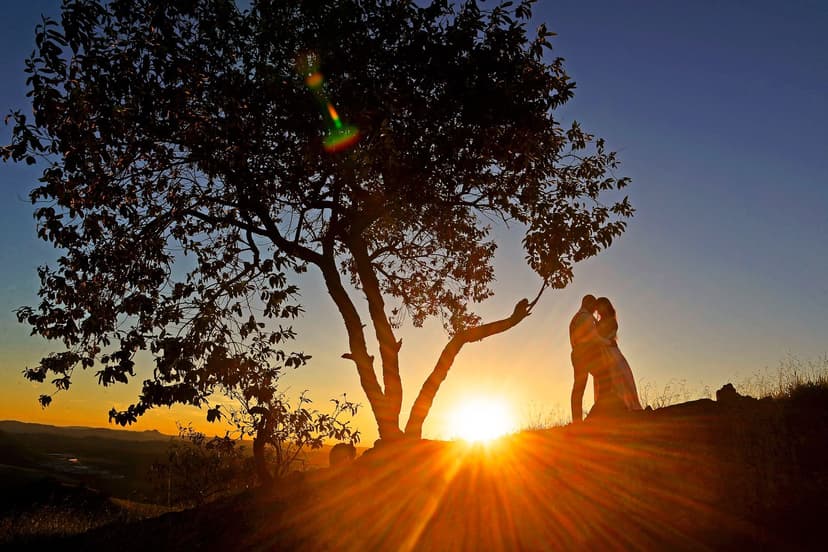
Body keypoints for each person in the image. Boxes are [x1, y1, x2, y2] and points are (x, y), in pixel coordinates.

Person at [594, 297, 642, 413]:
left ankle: (625, 406)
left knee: (620, 378)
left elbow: (606, 336)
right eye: (598, 308)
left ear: (606, 306)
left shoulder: (612, 321)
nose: (599, 310)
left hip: (611, 352)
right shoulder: (599, 322)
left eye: (601, 306)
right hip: (603, 353)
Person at [569, 294, 611, 423]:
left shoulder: (575, 318)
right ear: (588, 304)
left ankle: (577, 420)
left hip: (576, 352)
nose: (595, 309)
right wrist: (608, 343)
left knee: (579, 387)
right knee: (605, 379)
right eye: (593, 306)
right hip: (586, 352)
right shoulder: (585, 317)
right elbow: (593, 337)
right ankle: (601, 412)